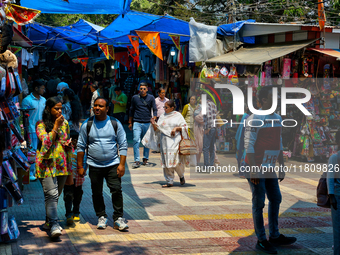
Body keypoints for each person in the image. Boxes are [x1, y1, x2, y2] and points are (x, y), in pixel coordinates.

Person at [244, 86, 296, 254]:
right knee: (259, 202)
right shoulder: (255, 118)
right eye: (273, 98)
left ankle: (274, 235)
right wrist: (252, 170)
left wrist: (281, 165)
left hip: (269, 166)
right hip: (256, 166)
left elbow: (278, 143)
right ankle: (261, 239)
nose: (277, 101)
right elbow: (249, 145)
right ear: (263, 100)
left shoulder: (278, 118)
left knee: (276, 198)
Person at [77, 97, 129, 231]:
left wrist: (121, 165)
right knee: (96, 192)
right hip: (94, 165)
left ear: (107, 109)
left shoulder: (115, 123)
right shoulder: (87, 124)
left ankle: (118, 218)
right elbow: (80, 146)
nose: (97, 108)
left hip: (112, 164)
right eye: (95, 106)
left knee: (116, 190)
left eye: (100, 106)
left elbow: (123, 144)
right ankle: (101, 216)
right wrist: (80, 166)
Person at [35, 97, 73, 238]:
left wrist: (69, 145)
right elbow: (45, 144)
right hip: (46, 165)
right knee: (51, 194)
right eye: (56, 108)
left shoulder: (66, 123)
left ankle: (48, 221)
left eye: (60, 108)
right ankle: (54, 224)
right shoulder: (40, 124)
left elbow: (65, 140)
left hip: (62, 164)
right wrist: (56, 127)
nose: (59, 111)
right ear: (48, 109)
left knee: (56, 195)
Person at [150, 100, 189, 187]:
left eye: (166, 107)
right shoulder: (163, 116)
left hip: (175, 141)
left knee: (176, 161)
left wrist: (176, 128)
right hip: (164, 142)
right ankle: (169, 181)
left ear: (172, 108)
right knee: (166, 161)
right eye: (164, 107)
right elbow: (158, 129)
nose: (164, 109)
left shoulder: (178, 115)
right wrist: (153, 124)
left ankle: (181, 175)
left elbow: (185, 127)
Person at [21, 79, 47, 181]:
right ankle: (31, 172)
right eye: (42, 88)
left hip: (42, 129)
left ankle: (37, 170)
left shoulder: (44, 100)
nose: (43, 90)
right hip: (31, 129)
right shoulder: (27, 100)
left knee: (40, 150)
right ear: (36, 88)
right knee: (32, 151)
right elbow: (24, 117)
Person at [129, 83, 157, 168]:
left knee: (146, 142)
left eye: (144, 89)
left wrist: (154, 118)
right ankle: (137, 160)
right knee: (136, 140)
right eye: (141, 89)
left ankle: (145, 159)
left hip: (147, 122)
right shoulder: (135, 98)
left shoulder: (151, 98)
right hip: (137, 122)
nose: (142, 90)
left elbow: (154, 109)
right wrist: (130, 122)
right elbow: (131, 110)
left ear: (147, 89)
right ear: (139, 89)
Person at [63, 130, 85, 225]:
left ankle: (76, 212)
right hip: (68, 178)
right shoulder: (66, 150)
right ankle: (68, 214)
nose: (74, 142)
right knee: (68, 195)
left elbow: (84, 161)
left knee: (77, 195)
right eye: (72, 140)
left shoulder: (80, 150)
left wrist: (83, 170)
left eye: (76, 139)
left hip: (78, 178)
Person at [327, 130, 340, 255]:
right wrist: (332, 196)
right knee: (337, 229)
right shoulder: (335, 157)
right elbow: (330, 178)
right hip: (337, 196)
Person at [203, 98, 217, 167]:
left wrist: (207, 128)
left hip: (209, 128)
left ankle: (206, 165)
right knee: (211, 147)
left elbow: (208, 116)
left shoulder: (206, 104)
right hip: (213, 127)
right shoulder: (213, 104)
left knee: (205, 148)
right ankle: (211, 164)